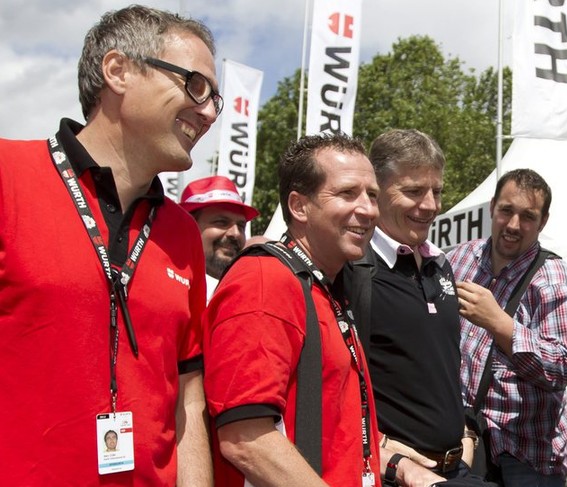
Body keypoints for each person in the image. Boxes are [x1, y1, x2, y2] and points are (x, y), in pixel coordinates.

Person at [0, 5, 217, 485]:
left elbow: (188, 393)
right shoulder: (8, 174)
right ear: (118, 70)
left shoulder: (182, 233)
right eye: (195, 86)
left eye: (215, 100)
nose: (207, 113)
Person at [203, 133, 382, 487]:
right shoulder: (265, 280)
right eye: (348, 193)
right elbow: (246, 440)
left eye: (372, 195)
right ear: (299, 206)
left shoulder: (323, 286)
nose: (369, 209)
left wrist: (398, 464)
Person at [344, 129, 479, 487]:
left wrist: (466, 433)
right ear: (376, 191)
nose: (431, 205)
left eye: (437, 191)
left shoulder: (440, 264)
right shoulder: (354, 268)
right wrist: (382, 449)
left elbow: (442, 363)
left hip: (455, 469)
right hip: (393, 475)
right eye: (414, 191)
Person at [448, 168, 567, 487]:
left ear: (543, 221)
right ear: (492, 206)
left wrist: (499, 323)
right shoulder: (460, 259)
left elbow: (560, 369)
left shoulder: (556, 282)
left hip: (525, 458)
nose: (513, 225)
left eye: (527, 216)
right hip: (462, 442)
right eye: (506, 211)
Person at [180, 175, 259, 299]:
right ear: (188, 227)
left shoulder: (251, 294)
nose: (235, 233)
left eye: (241, 226)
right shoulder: (167, 288)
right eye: (221, 222)